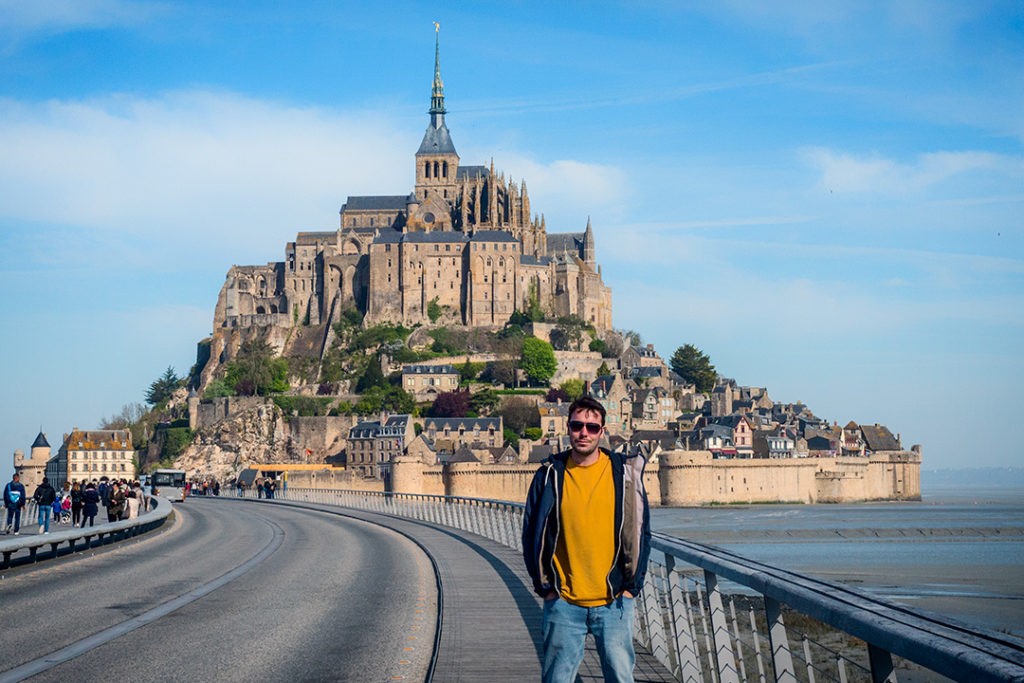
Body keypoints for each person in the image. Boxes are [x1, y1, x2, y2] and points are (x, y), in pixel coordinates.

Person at [522, 396, 652, 683]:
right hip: (563, 600)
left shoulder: (625, 475)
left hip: (614, 600)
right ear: (568, 428)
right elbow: (531, 531)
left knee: (620, 678)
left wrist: (632, 587)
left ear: (602, 431)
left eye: (592, 428)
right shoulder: (548, 475)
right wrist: (545, 587)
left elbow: (642, 532)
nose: (584, 433)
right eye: (577, 425)